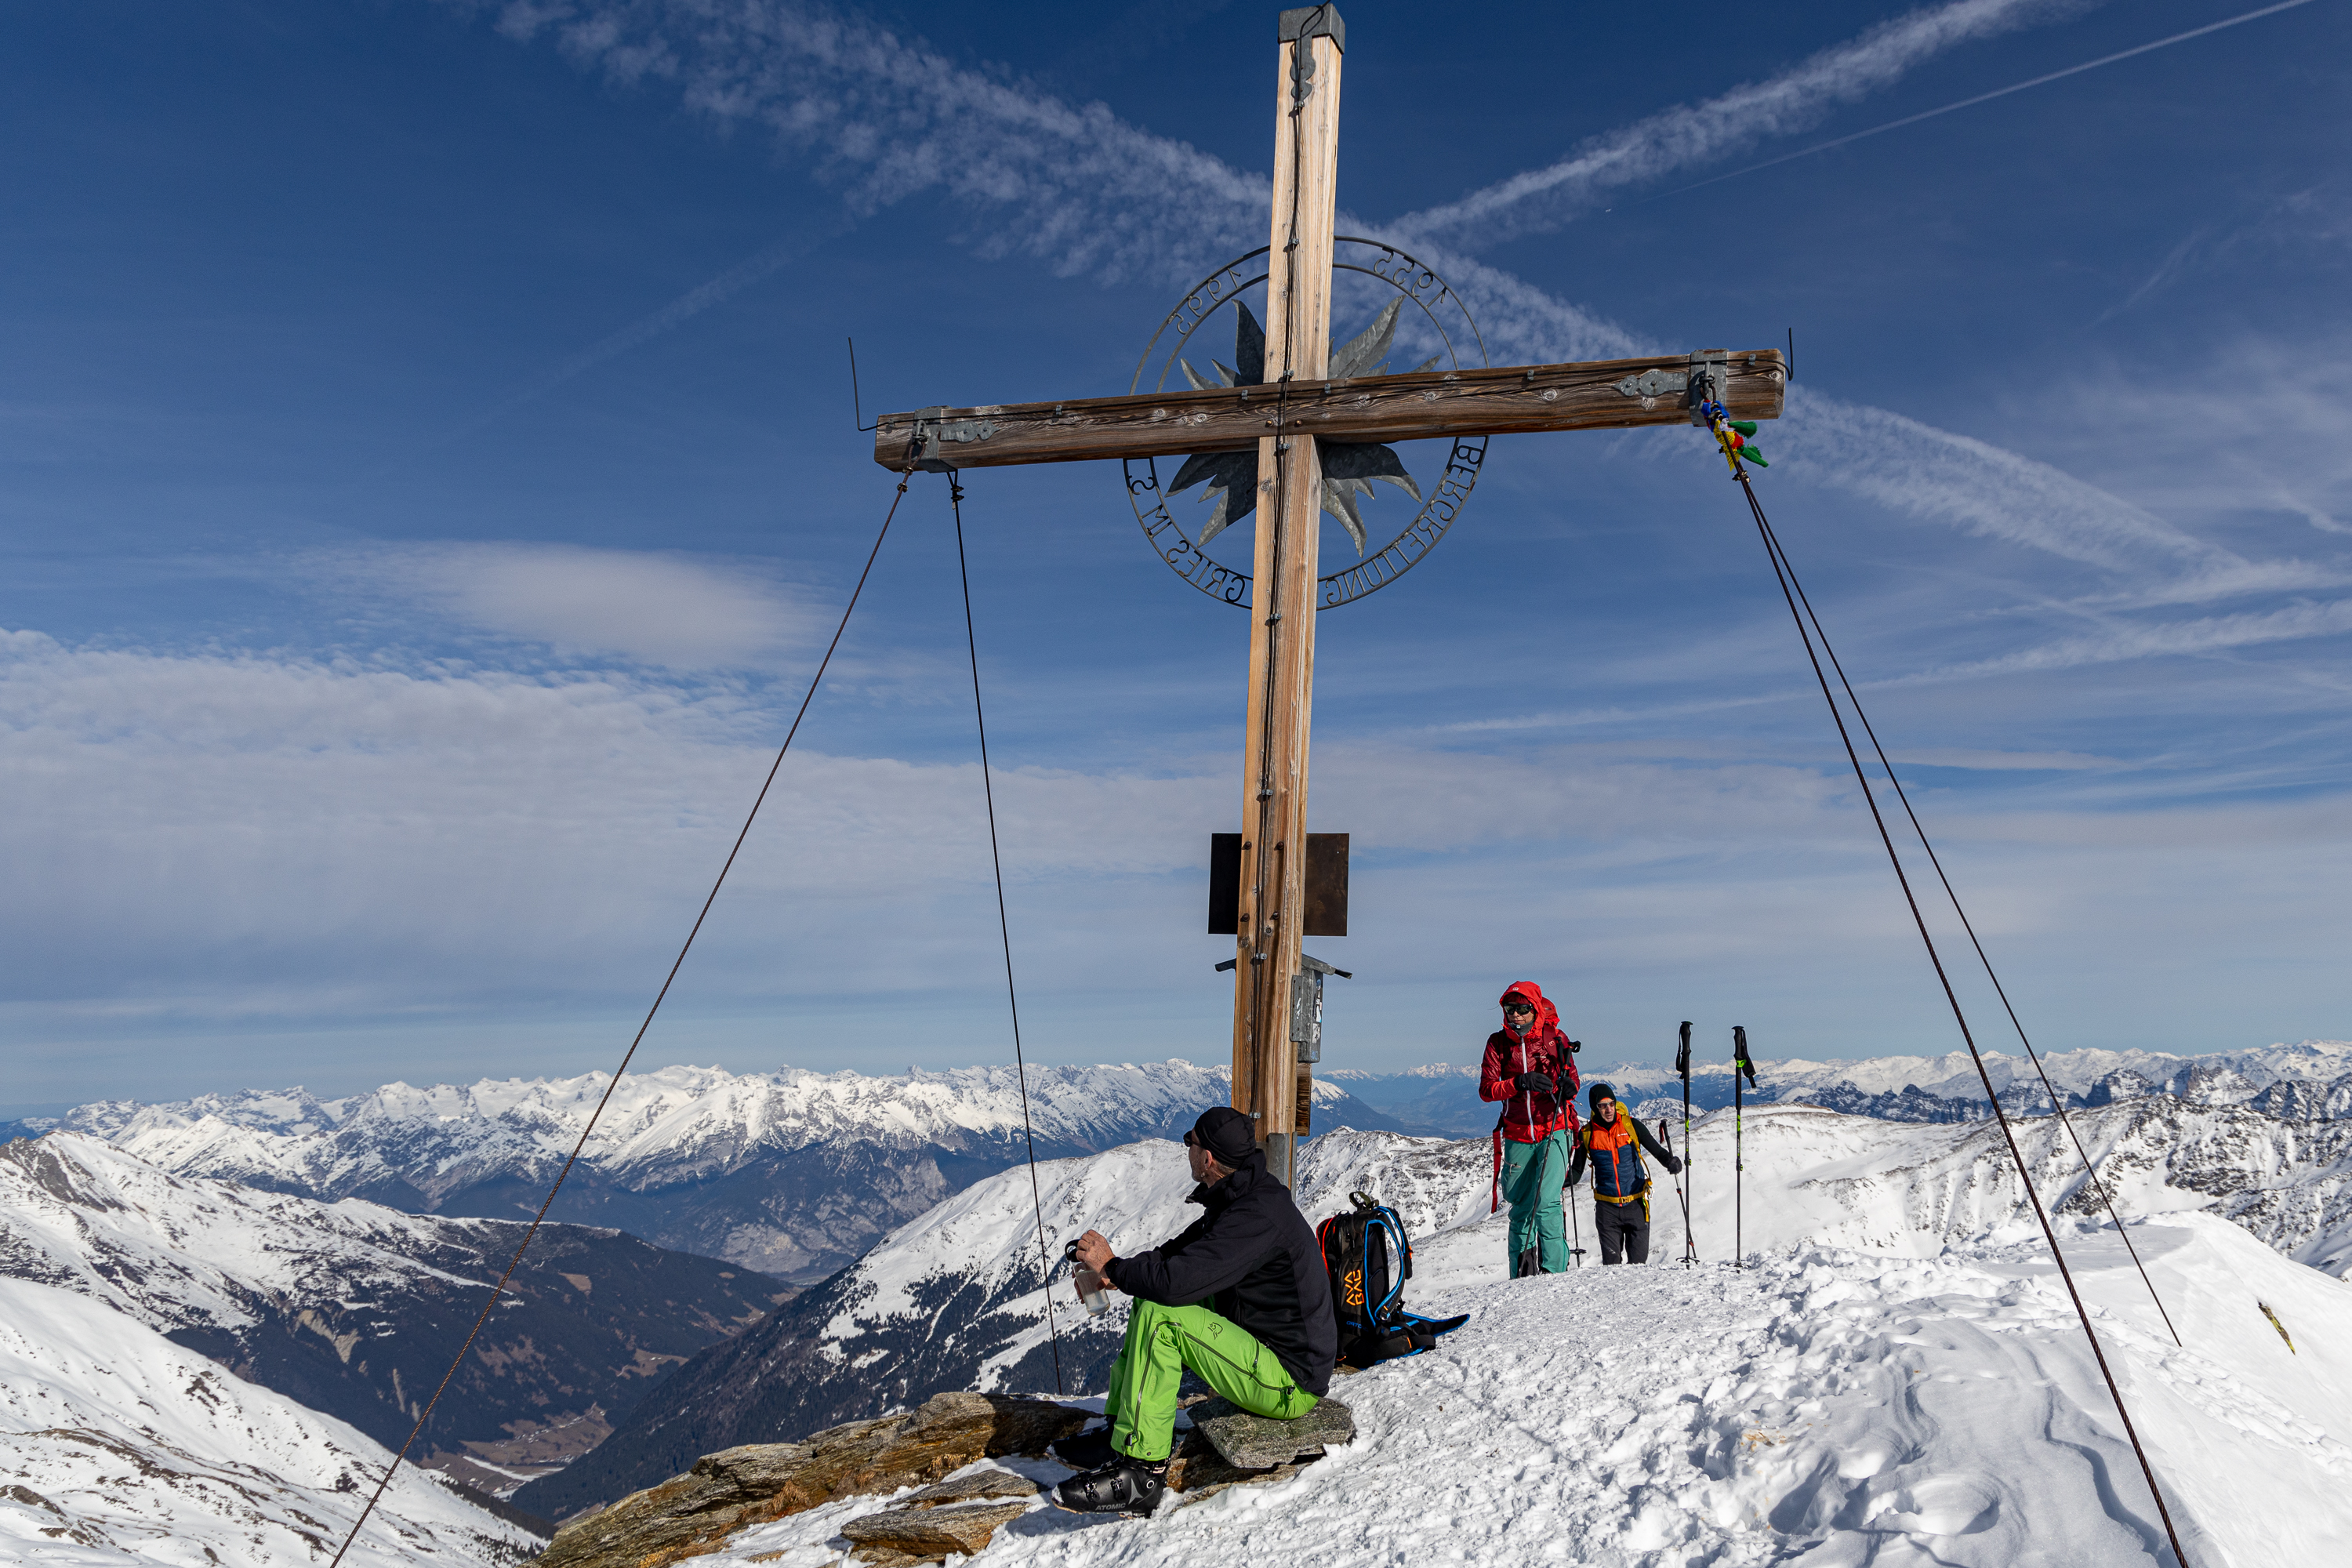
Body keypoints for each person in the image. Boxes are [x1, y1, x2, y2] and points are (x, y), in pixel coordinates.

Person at [1052, 1105, 1335, 1515]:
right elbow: (1176, 1257)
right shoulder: (1243, 1195)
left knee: (1163, 1314)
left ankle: (1142, 1474)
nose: (1186, 1148)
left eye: (1192, 1141)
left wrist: (1114, 1266)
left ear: (1207, 1159)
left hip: (1289, 1381)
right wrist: (1117, 1274)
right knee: (1152, 1299)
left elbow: (1175, 1282)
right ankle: (1121, 1432)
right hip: (1263, 1349)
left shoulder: (1255, 1214)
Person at [1479, 981, 1581, 1277]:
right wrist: (1520, 1083)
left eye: (1523, 1009)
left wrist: (1568, 1087)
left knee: (1547, 1203)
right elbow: (1487, 1090)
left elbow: (1572, 1080)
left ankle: (1554, 1274)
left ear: (1535, 1009)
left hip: (1555, 1128)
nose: (1516, 1015)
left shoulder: (1555, 1039)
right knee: (1521, 1208)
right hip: (1517, 1134)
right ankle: (1522, 1276)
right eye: (1510, 1009)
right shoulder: (1498, 1043)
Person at [1566, 1082, 1682, 1265]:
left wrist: (1671, 1162)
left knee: (1638, 1268)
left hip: (1636, 1205)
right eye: (1602, 1106)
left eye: (1611, 1104)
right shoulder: (1587, 1134)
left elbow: (1657, 1151)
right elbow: (1576, 1172)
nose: (1609, 1110)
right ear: (1595, 1108)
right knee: (1612, 1269)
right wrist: (1555, 1180)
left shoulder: (1631, 1126)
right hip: (1607, 1211)